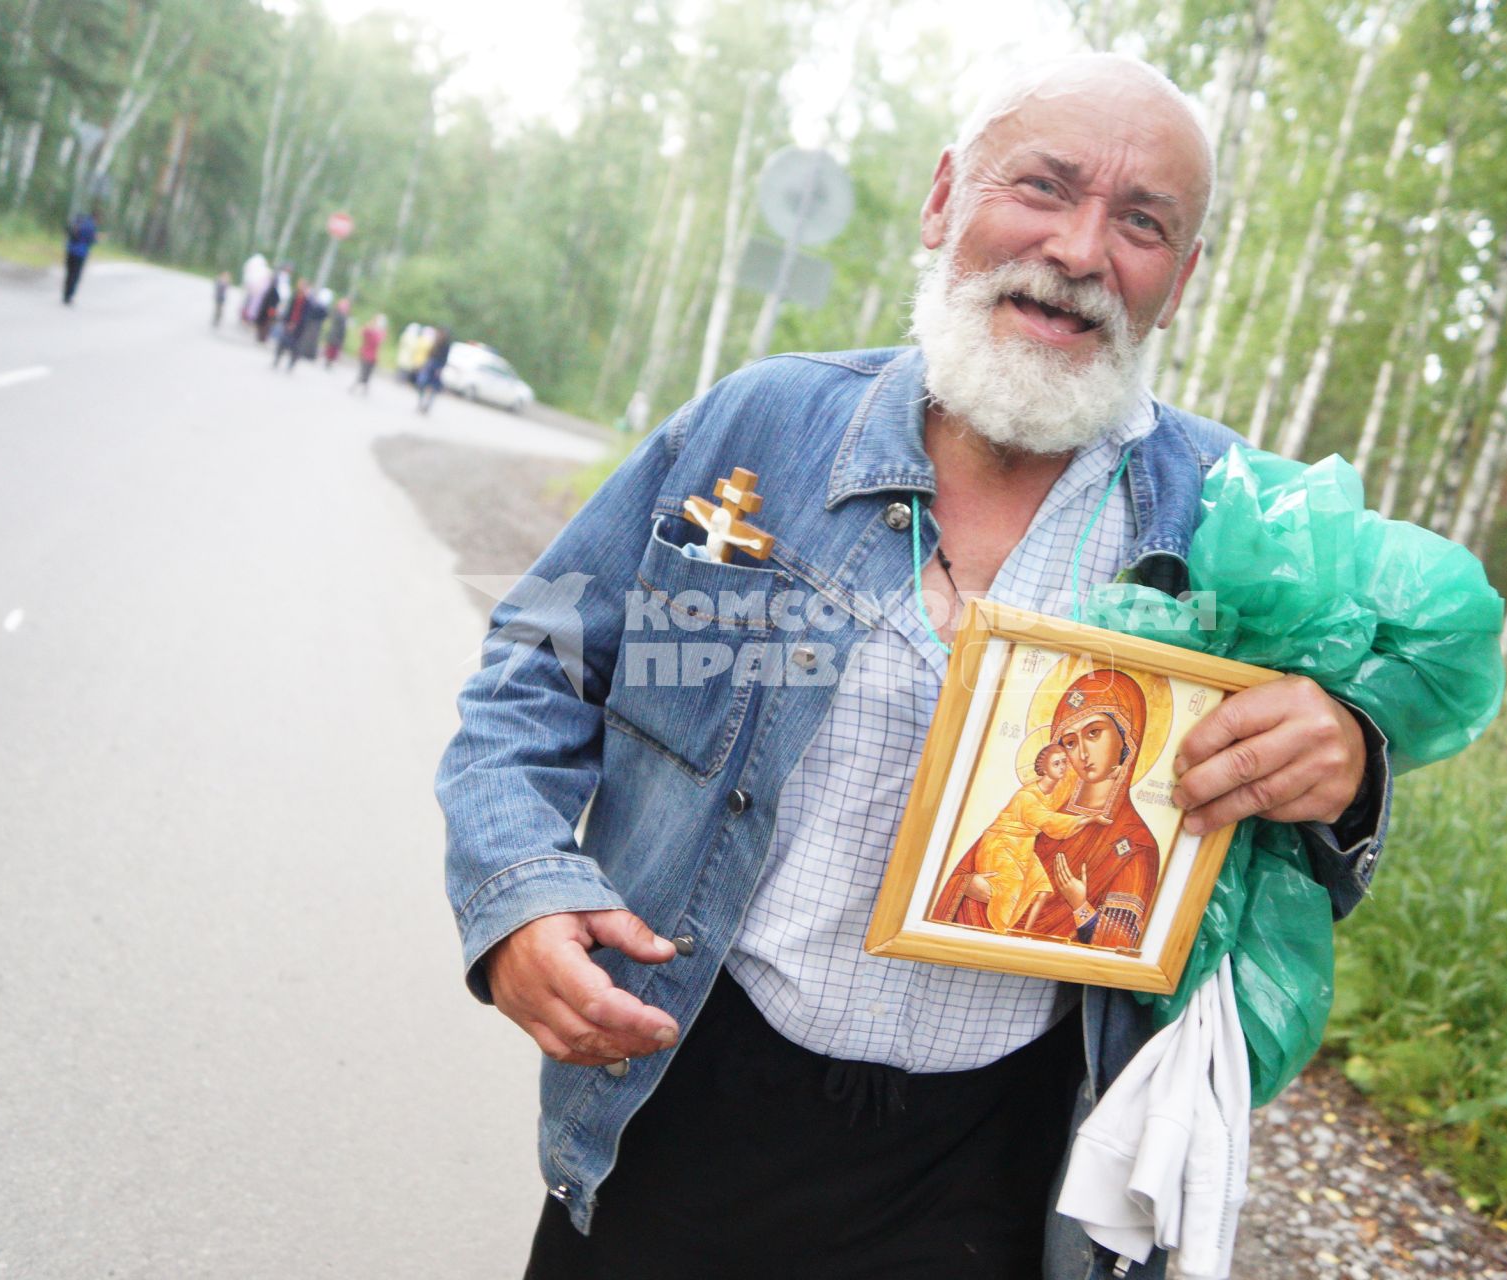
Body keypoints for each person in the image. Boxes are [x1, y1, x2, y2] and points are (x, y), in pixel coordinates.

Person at [439, 55, 1396, 1280]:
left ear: (1180, 279)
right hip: (685, 1101)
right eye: (1042, 186)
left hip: (1002, 1168)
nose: (1079, 249)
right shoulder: (760, 429)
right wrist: (516, 890)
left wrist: (1348, 753)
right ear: (945, 198)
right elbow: (538, 662)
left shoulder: (1236, 523)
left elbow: (1326, 790)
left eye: (1141, 223)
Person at [933, 742, 1088, 934]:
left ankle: (1022, 934)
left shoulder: (1053, 792)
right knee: (1010, 888)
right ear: (1044, 768)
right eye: (1057, 764)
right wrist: (1088, 819)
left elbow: (1071, 782)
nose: (1063, 767)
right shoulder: (1026, 797)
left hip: (1023, 845)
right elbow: (1048, 820)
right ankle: (1001, 930)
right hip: (1002, 844)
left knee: (1041, 888)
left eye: (1065, 762)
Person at [62, 208, 98, 305]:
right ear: (96, 217)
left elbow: (67, 231)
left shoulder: (79, 221)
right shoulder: (91, 225)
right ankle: (69, 297)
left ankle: (65, 295)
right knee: (75, 275)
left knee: (69, 273)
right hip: (81, 253)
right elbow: (92, 240)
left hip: (70, 250)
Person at [414, 326, 450, 412]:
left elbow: (445, 358)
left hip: (437, 366)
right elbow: (428, 354)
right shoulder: (434, 342)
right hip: (430, 364)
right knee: (422, 383)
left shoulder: (446, 345)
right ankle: (421, 402)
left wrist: (440, 368)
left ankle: (427, 405)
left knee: (433, 388)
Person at [350, 312, 386, 393]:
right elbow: (362, 333)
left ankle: (364, 388)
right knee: (363, 372)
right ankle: (356, 386)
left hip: (372, 356)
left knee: (368, 373)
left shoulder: (379, 332)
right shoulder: (371, 330)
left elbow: (380, 341)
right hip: (366, 354)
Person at [322, 296, 351, 369]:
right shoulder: (338, 313)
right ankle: (328, 362)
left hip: (338, 334)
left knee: (334, 349)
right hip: (335, 333)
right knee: (331, 349)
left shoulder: (343, 314)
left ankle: (329, 362)